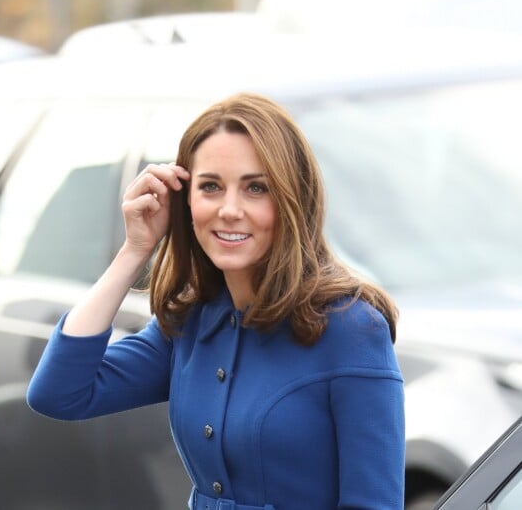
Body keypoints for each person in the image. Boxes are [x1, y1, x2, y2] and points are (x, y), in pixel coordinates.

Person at [27, 92, 405, 509]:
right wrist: (134, 250)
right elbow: (58, 393)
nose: (229, 209)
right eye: (210, 187)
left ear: (291, 199)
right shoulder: (191, 322)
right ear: (185, 201)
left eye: (255, 188)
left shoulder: (351, 330)